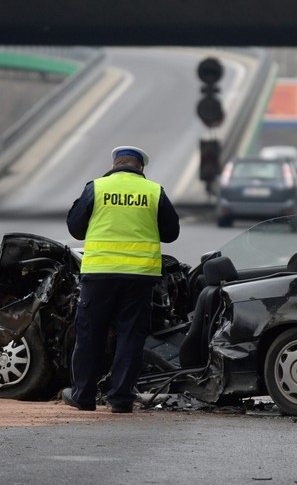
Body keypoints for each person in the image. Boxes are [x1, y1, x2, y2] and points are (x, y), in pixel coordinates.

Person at [62, 146, 180, 413]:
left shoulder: (96, 188)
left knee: (90, 334)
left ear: (115, 165)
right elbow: (171, 233)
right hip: (139, 277)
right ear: (141, 168)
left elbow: (75, 228)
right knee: (130, 337)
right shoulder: (153, 191)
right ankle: (120, 399)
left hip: (99, 274)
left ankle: (83, 396)